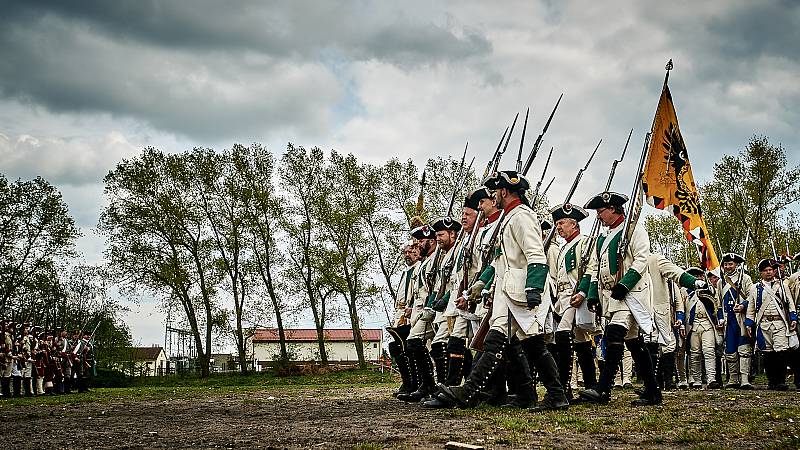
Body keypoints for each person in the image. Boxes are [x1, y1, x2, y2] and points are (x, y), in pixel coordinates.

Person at [434, 170, 568, 411]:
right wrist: (480, 284)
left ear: (504, 191)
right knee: (529, 344)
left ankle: (468, 391)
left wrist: (534, 289)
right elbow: (499, 261)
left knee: (500, 342)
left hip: (523, 291)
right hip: (509, 290)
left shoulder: (522, 217)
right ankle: (542, 395)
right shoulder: (509, 218)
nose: (493, 196)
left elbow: (536, 253)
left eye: (495, 191)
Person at [577, 191, 660, 406]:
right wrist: (594, 295)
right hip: (612, 296)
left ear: (613, 209)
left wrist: (625, 284)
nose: (598, 216)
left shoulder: (632, 230)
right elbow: (595, 268)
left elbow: (641, 259)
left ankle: (604, 389)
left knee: (614, 333)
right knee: (633, 342)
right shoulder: (603, 238)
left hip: (632, 293)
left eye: (601, 211)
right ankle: (653, 391)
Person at [745, 258, 798, 390]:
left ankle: (780, 381)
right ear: (761, 273)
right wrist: (749, 323)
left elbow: (790, 304)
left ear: (774, 271)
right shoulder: (755, 288)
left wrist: (793, 318)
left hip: (779, 323)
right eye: (765, 270)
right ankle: (772, 381)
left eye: (770, 270)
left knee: (781, 352)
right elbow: (751, 308)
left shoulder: (782, 286)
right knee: (768, 354)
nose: (768, 272)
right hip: (763, 324)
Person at [675, 268, 719, 389]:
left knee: (709, 351)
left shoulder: (709, 290)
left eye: (700, 276)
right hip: (693, 325)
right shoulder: (684, 292)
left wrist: (719, 320)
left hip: (707, 324)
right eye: (694, 276)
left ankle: (711, 379)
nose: (698, 278)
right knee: (694, 353)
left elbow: (717, 305)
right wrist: (682, 325)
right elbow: (681, 308)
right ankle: (697, 379)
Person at [716, 253, 754, 389]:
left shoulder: (745, 278)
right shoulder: (721, 282)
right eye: (726, 264)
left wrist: (743, 305)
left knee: (744, 348)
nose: (728, 267)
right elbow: (718, 302)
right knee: (730, 348)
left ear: (736, 264)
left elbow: (752, 296)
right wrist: (720, 318)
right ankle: (733, 379)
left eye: (730, 264)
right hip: (729, 319)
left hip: (742, 318)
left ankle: (745, 379)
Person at [387, 240, 420, 398]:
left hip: (412, 314)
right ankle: (408, 382)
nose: (407, 255)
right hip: (401, 314)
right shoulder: (406, 272)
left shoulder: (417, 269)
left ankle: (415, 383)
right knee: (395, 347)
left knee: (409, 348)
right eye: (405, 252)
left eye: (410, 251)